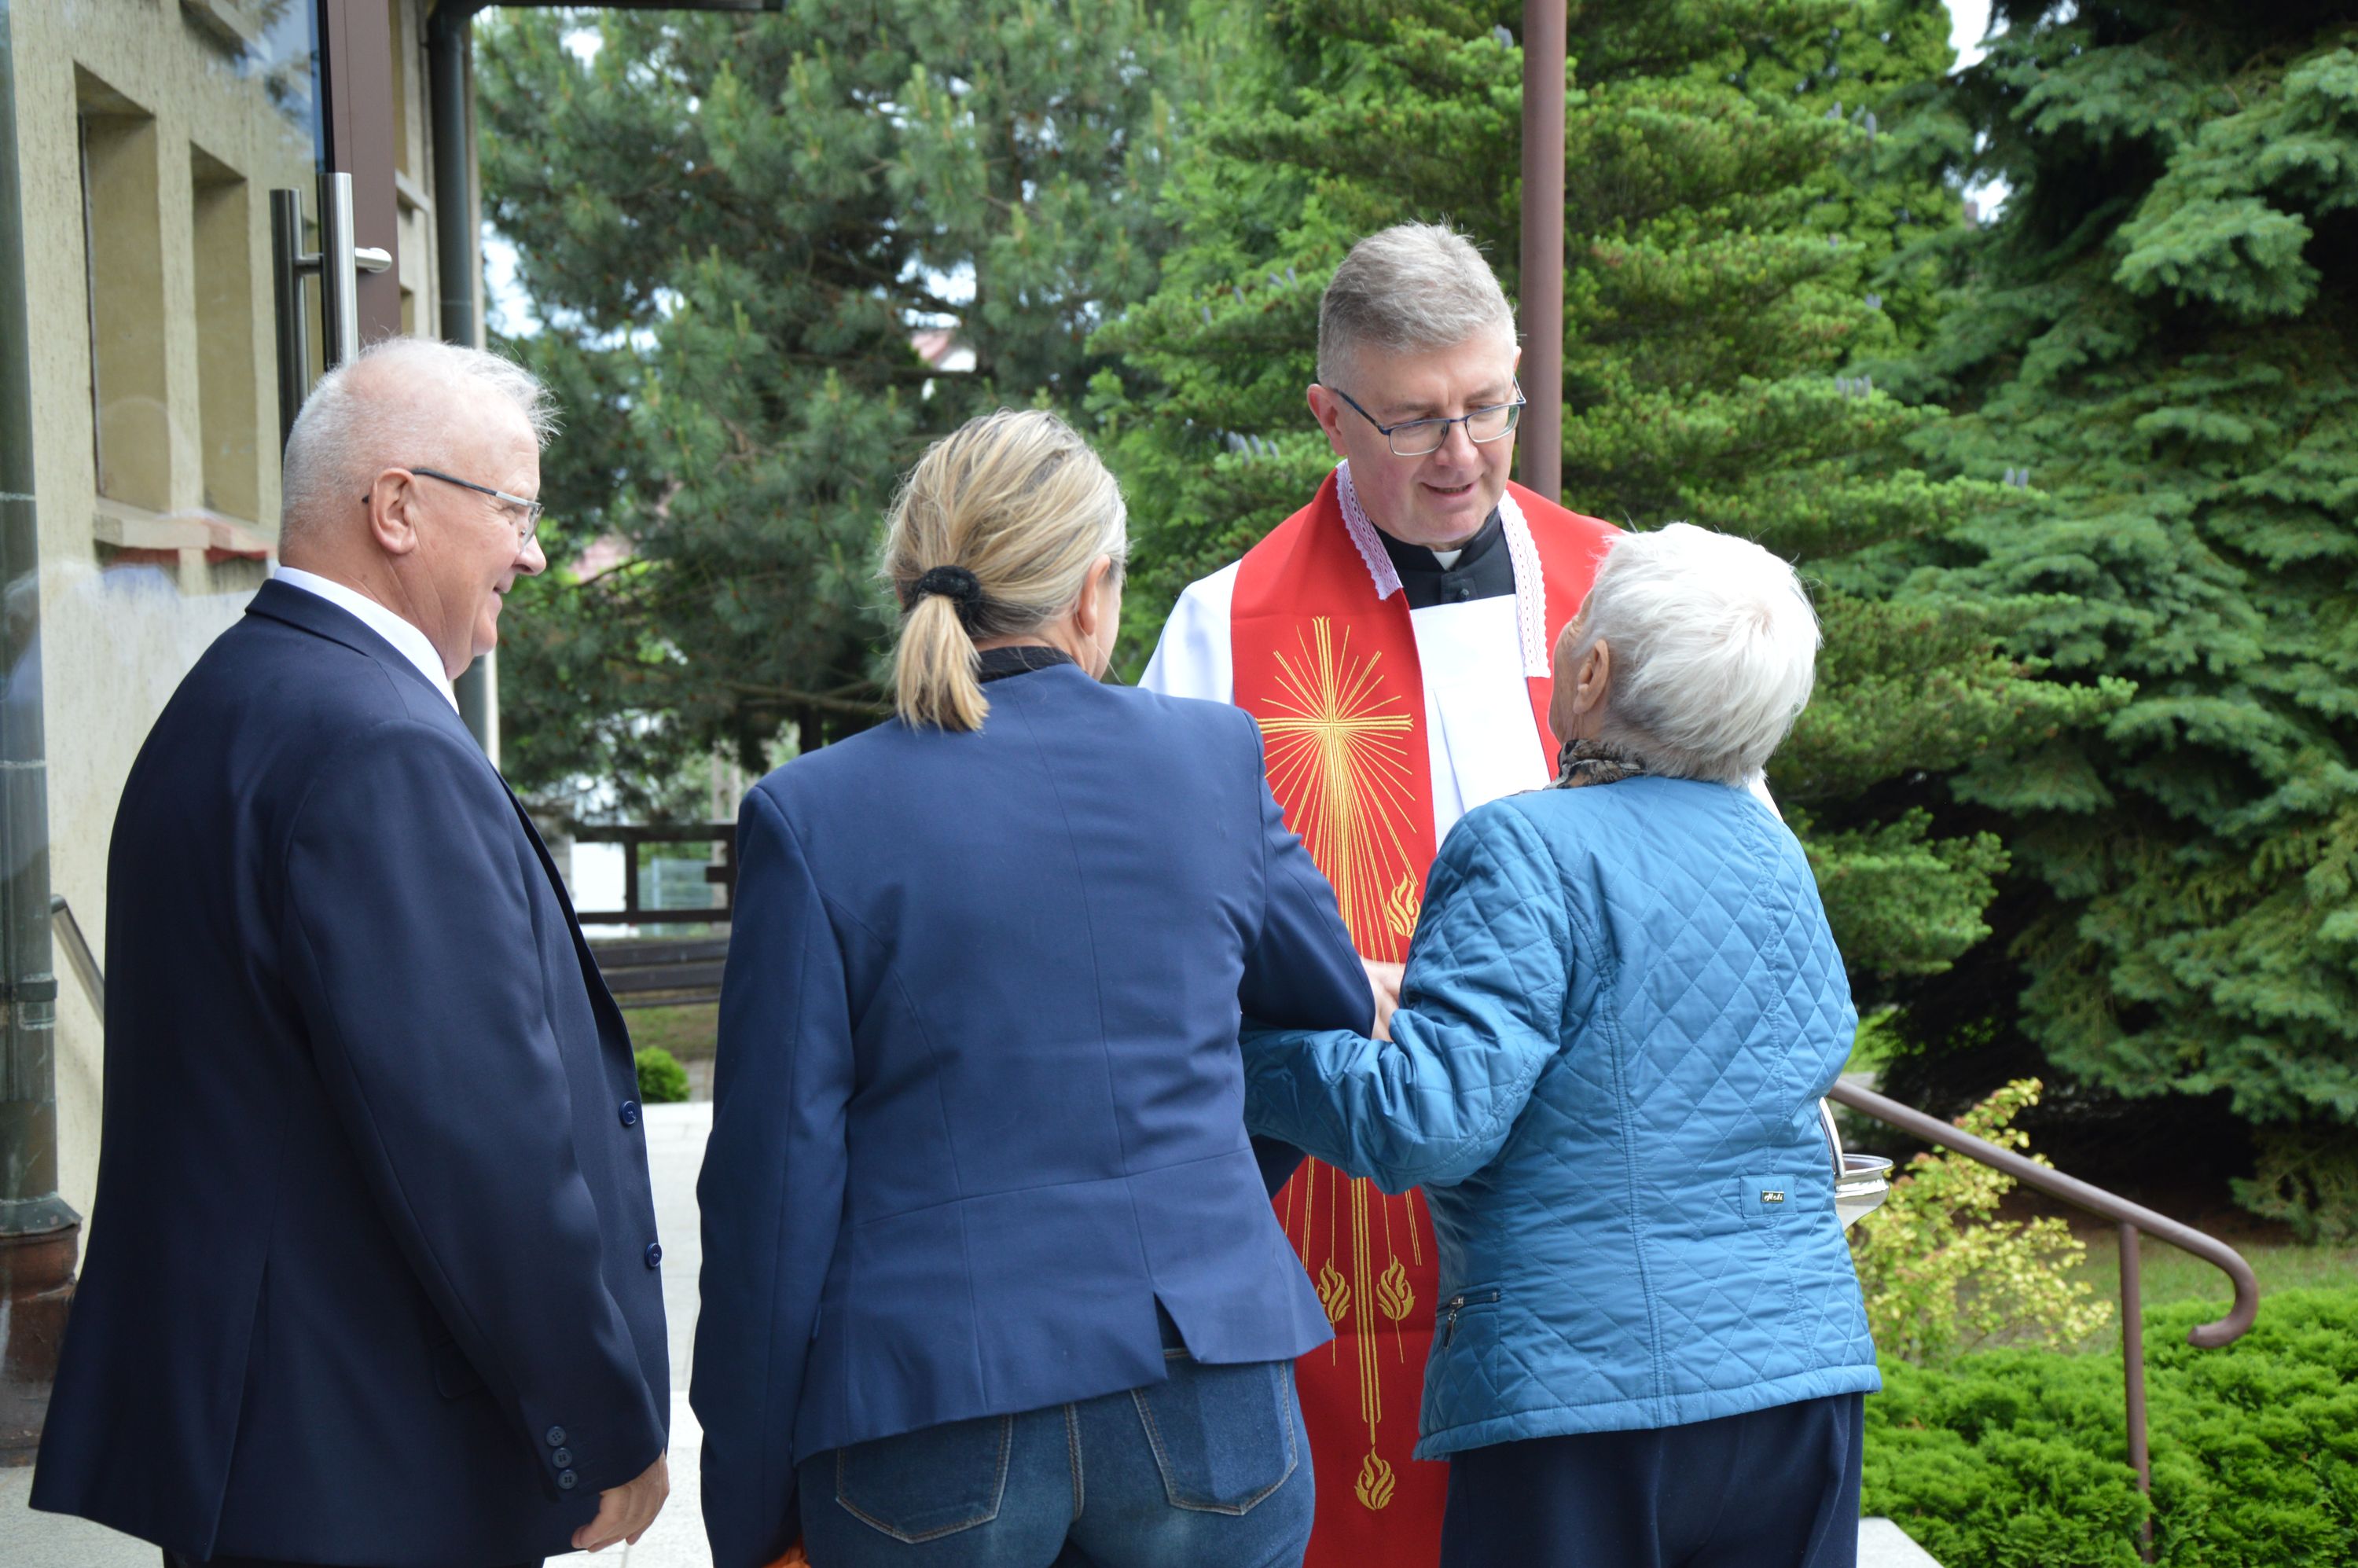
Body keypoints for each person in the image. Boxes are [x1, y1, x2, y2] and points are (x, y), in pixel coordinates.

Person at [692, 409, 1374, 1568]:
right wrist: (1197, 1181)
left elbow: (771, 1191)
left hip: (925, 1402)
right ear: (1095, 591)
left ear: (909, 587)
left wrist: (751, 1504)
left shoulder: (810, 814)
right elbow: (1329, 1014)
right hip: (1205, 1377)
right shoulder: (1214, 758)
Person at [31, 338, 671, 1568]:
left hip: (281, 1460)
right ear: (397, 508)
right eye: (516, 511)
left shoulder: (237, 695)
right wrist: (599, 1422)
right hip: (368, 1476)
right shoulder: (380, 745)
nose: (533, 553)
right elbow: (477, 1141)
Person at [1240, 523, 1880, 1568]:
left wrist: (1245, 1059)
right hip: (1802, 1380)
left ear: (1592, 672)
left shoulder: (1524, 845)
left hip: (1587, 1393)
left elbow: (1428, 1121)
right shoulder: (1775, 855)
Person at [1137, 221, 1619, 1564]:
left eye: (1490, 407)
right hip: (1342, 1196)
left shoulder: (1624, 592)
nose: (1463, 453)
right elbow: (1155, 934)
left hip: (1591, 1196)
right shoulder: (1226, 625)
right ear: (1329, 416)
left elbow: (1728, 870)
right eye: (1414, 422)